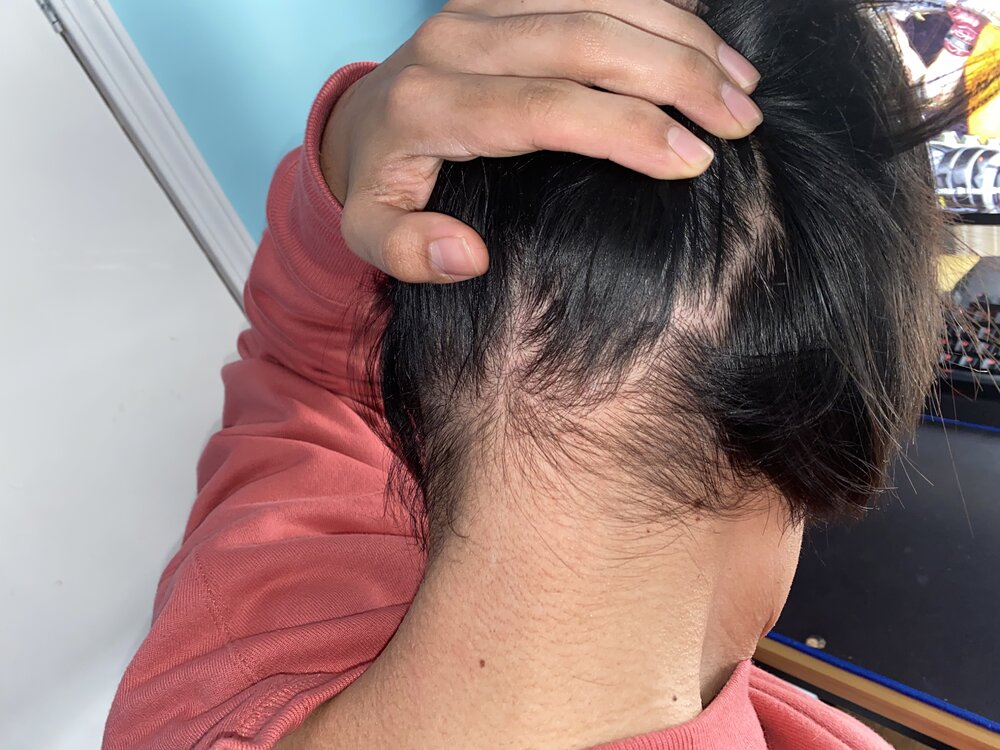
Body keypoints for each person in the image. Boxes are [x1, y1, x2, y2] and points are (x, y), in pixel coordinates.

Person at [102, 1, 986, 748]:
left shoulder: (229, 644)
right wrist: (354, 154)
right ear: (838, 421)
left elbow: (304, 372)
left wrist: (347, 140)